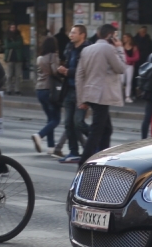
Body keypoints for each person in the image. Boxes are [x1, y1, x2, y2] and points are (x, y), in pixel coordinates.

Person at [75, 24, 126, 164]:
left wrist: (82, 99)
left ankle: (103, 157)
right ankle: (85, 161)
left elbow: (79, 76)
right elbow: (121, 68)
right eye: (115, 35)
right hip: (102, 95)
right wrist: (120, 48)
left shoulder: (86, 50)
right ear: (110, 35)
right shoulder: (109, 49)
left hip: (91, 94)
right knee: (96, 132)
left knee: (107, 129)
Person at [54, 25, 89, 159]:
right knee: (68, 123)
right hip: (69, 89)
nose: (71, 34)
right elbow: (69, 67)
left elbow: (85, 71)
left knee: (78, 122)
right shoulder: (69, 48)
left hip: (81, 91)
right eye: (71, 32)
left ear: (82, 35)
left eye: (74, 32)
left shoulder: (87, 49)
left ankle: (96, 141)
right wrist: (63, 70)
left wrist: (69, 72)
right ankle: (73, 151)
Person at [32, 36, 62, 153]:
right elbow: (55, 71)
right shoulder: (53, 56)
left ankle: (51, 147)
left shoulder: (39, 58)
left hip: (39, 90)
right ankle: (39, 135)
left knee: (50, 118)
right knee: (56, 119)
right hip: (50, 90)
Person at [3, 24, 26, 93]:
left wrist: (12, 45)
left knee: (18, 76)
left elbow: (20, 44)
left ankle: (17, 89)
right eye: (11, 27)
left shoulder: (19, 36)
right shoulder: (7, 36)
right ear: (9, 28)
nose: (13, 29)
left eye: (14, 27)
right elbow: (7, 45)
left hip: (18, 59)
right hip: (9, 58)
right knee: (9, 75)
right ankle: (8, 89)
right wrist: (15, 45)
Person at [120, 32, 140, 103]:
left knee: (129, 81)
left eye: (126, 37)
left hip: (130, 66)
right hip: (122, 65)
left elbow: (137, 57)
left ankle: (127, 96)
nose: (124, 39)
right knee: (121, 81)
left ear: (129, 38)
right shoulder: (121, 46)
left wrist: (128, 59)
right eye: (124, 37)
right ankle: (120, 95)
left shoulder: (134, 47)